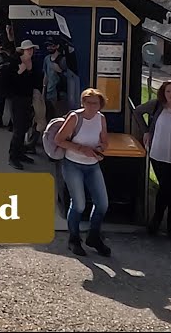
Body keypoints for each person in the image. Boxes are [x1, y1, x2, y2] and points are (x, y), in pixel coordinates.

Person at [54, 88, 111, 257]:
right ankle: (74, 239)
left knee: (102, 204)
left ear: (101, 104)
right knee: (78, 204)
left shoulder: (101, 118)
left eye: (95, 103)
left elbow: (105, 141)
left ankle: (94, 236)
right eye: (88, 102)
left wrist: (100, 149)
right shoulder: (75, 117)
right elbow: (59, 140)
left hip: (92, 165)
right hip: (73, 164)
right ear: (82, 103)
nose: (92, 106)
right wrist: (81, 149)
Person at [131, 80, 171, 236]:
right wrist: (146, 131)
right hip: (158, 153)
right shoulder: (156, 106)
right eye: (168, 91)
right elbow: (137, 112)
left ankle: (169, 224)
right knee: (165, 187)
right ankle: (157, 221)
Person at [7, 40, 38, 169]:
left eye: (31, 49)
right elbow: (11, 79)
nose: (30, 51)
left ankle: (20, 153)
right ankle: (13, 157)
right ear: (22, 50)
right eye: (28, 49)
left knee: (25, 126)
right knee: (18, 129)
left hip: (28, 98)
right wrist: (21, 71)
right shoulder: (15, 62)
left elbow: (34, 79)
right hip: (17, 98)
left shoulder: (33, 62)